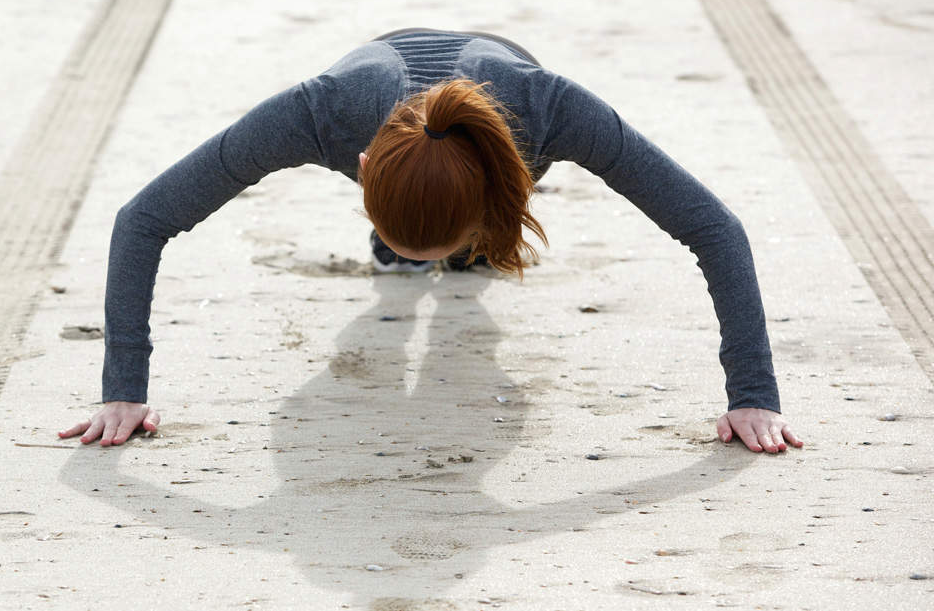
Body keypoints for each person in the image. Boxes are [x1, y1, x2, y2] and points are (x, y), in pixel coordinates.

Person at [59, 28, 802, 453]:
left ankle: (460, 242)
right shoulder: (317, 113)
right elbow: (143, 218)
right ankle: (408, 245)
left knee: (474, 265)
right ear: (358, 176)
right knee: (408, 259)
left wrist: (753, 395)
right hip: (380, 119)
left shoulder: (552, 108)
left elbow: (714, 226)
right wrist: (123, 387)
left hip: (498, 146)